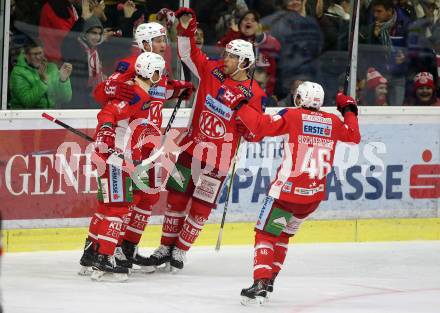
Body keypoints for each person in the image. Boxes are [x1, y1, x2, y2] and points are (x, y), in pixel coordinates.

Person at [147, 7, 267, 272]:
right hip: (191, 148)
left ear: (245, 61)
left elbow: (255, 133)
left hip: (219, 160)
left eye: (232, 57)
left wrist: (241, 114)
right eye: (225, 55)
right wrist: (186, 29)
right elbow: (188, 54)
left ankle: (180, 251)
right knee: (176, 198)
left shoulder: (253, 93)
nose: (225, 59)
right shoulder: (212, 71)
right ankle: (165, 247)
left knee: (200, 207)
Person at [232, 82, 360, 305]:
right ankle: (270, 280)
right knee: (282, 236)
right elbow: (353, 135)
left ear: (300, 99)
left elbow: (260, 126)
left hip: (285, 196)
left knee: (266, 235)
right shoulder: (332, 121)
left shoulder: (292, 116)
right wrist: (348, 109)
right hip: (312, 198)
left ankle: (260, 285)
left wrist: (239, 103)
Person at [80, 22, 194, 272]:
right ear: (144, 43)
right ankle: (104, 248)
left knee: (148, 198)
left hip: (151, 146)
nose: (165, 44)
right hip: (132, 145)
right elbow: (102, 94)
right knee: (122, 201)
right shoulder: (132, 65)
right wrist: (112, 89)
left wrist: (176, 91)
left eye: (165, 39)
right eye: (159, 40)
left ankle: (127, 249)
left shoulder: (158, 68)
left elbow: (156, 94)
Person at [86, 51, 166, 282]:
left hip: (115, 157)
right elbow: (108, 112)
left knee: (108, 208)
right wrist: (106, 130)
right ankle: (104, 258)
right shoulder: (137, 94)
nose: (160, 78)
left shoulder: (136, 89)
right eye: (159, 72)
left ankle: (96, 257)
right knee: (118, 209)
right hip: (116, 159)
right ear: (151, 73)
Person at [9, 40, 73, 109]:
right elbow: (27, 101)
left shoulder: (51, 68)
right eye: (35, 54)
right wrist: (42, 81)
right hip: (26, 117)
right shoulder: (18, 72)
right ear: (26, 55)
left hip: (50, 115)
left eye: (40, 53)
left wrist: (63, 80)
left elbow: (65, 99)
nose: (38, 57)